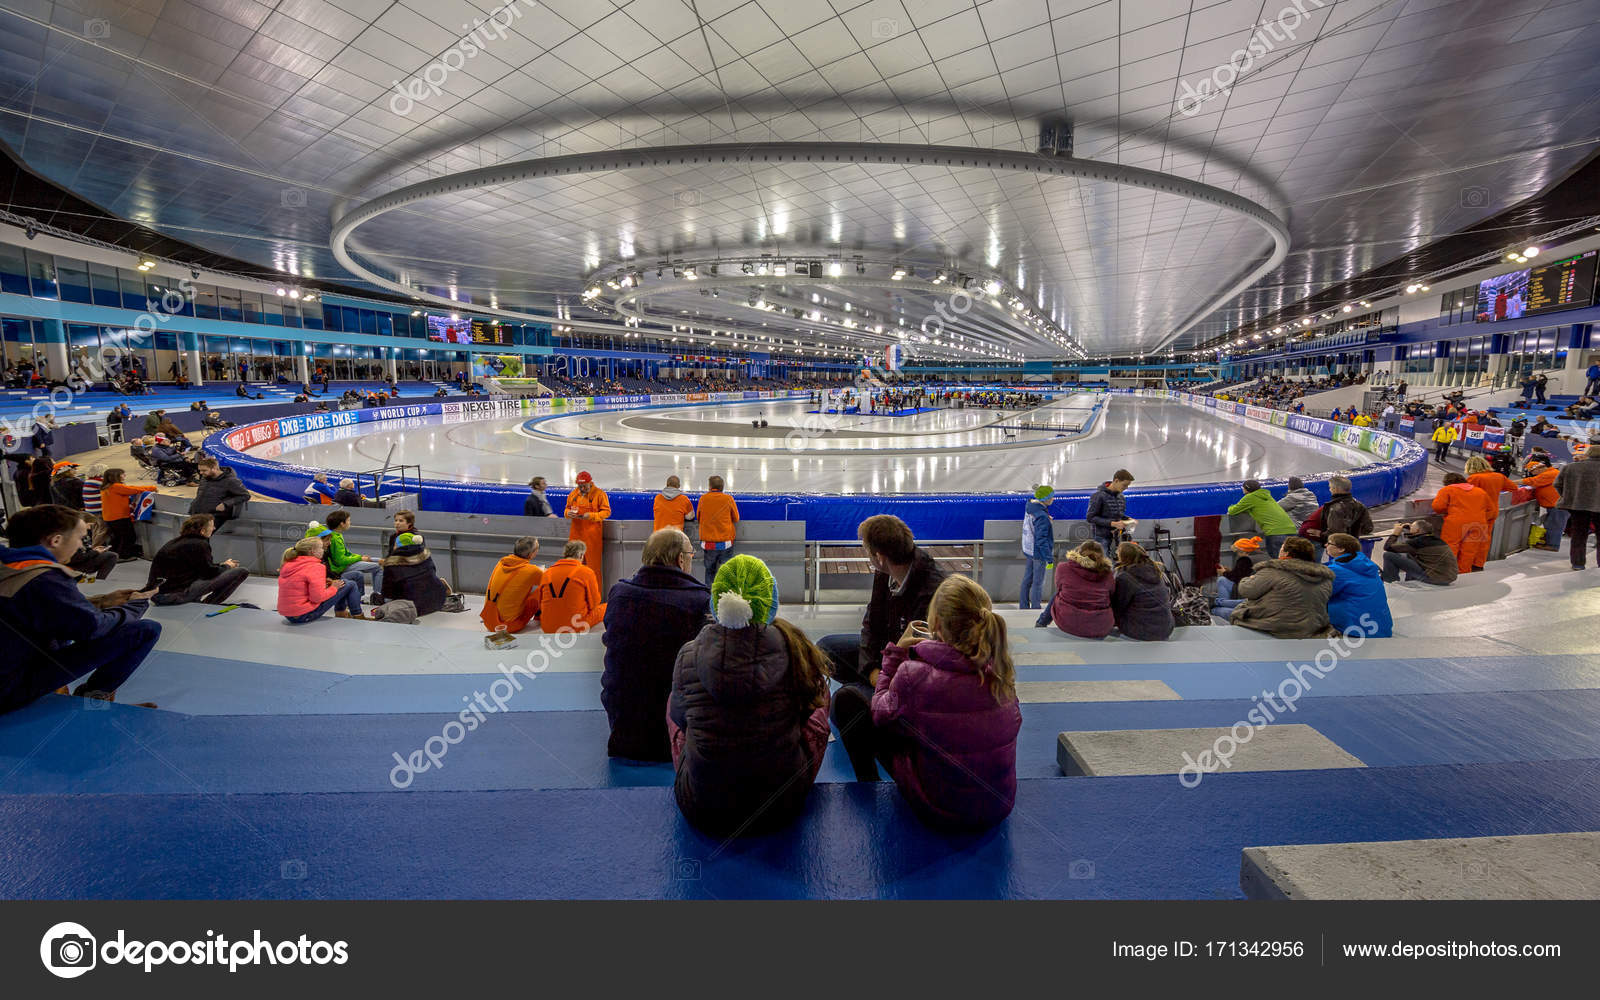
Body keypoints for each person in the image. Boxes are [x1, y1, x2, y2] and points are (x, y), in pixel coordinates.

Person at [831, 573, 1022, 828]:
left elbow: (878, 712)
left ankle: (868, 784)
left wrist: (895, 655)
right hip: (997, 807)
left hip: (938, 808)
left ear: (937, 624)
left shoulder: (914, 675)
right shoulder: (1001, 674)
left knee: (847, 699)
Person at [667, 555, 831, 836]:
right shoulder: (795, 649)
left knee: (676, 701)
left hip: (702, 807)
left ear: (716, 601)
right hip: (783, 803)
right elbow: (808, 711)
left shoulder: (688, 654)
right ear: (770, 601)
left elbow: (680, 719)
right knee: (821, 694)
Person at [0, 505, 161, 712]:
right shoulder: (45, 579)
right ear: (55, 540)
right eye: (79, 538)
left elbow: (42, 607)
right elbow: (92, 628)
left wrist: (103, 601)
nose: (81, 546)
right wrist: (135, 605)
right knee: (145, 630)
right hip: (10, 689)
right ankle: (93, 701)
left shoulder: (11, 567)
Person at [600, 528, 709, 761]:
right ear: (681, 559)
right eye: (691, 554)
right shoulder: (700, 601)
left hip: (623, 728)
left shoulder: (619, 594)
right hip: (672, 739)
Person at [817, 514, 946, 687]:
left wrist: (884, 676)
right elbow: (871, 625)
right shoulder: (886, 572)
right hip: (888, 650)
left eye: (866, 550)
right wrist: (871, 669)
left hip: (911, 666)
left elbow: (918, 653)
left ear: (879, 557)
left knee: (846, 698)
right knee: (824, 650)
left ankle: (870, 693)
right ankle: (868, 689)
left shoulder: (932, 590)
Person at [1229, 536, 1334, 638]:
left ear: (1286, 553)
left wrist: (1248, 579)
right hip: (1313, 628)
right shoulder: (1324, 578)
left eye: (1282, 547)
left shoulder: (1273, 571)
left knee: (1223, 611)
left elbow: (1245, 590)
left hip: (1275, 627)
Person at [144, 514, 249, 606]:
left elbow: (200, 567)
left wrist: (222, 565)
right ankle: (208, 604)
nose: (214, 528)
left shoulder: (175, 542)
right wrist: (227, 566)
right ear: (202, 531)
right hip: (172, 595)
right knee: (241, 571)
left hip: (158, 593)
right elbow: (209, 573)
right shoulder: (200, 544)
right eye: (212, 526)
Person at [1035, 540, 1115, 636]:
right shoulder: (1108, 574)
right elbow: (1112, 593)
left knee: (1058, 593)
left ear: (1079, 552)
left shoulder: (1063, 568)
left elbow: (1059, 587)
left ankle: (1041, 622)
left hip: (1069, 622)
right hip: (1100, 626)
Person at [278, 536, 363, 623]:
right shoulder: (316, 566)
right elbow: (317, 598)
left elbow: (299, 585)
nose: (323, 550)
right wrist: (334, 587)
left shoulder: (289, 564)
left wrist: (324, 582)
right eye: (321, 548)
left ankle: (341, 613)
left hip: (289, 615)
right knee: (350, 584)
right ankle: (358, 616)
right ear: (312, 551)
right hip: (304, 615)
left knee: (342, 583)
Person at [1323, 533, 1392, 637]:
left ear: (1341, 549)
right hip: (1380, 627)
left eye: (1329, 543)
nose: (1325, 545)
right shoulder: (1366, 565)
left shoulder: (1338, 570)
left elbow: (1320, 595)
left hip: (1356, 630)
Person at [537, 540, 606, 633]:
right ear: (581, 555)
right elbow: (594, 603)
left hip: (548, 627)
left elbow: (540, 603)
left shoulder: (547, 573)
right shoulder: (586, 572)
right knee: (607, 607)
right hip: (576, 626)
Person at [1110, 541, 1174, 641]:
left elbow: (1118, 607)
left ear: (1123, 557)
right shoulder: (1156, 571)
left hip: (1142, 631)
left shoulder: (1125, 578)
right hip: (1165, 628)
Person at [1431, 472, 1493, 574]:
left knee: (1450, 547)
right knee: (1470, 551)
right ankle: (1464, 573)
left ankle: (1447, 572)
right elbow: (1491, 510)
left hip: (1455, 523)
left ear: (1447, 482)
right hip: (1478, 524)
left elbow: (1437, 507)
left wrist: (1448, 511)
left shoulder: (1447, 490)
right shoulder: (1481, 491)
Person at [480, 536, 544, 634]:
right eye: (538, 548)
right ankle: (540, 617)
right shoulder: (532, 571)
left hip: (489, 620)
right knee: (541, 590)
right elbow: (549, 580)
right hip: (508, 626)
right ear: (531, 554)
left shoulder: (501, 563)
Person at [379, 532, 452, 616]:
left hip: (413, 608)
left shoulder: (391, 563)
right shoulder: (425, 556)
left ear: (398, 545)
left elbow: (388, 592)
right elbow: (433, 571)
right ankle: (441, 587)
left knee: (383, 599)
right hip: (438, 601)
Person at [1553, 443, 1600, 570]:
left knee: (1578, 535)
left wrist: (1569, 497)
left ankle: (1577, 563)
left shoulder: (1570, 467)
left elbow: (1557, 484)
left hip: (1577, 506)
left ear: (1588, 453)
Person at [321, 511, 383, 602]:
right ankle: (377, 596)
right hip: (341, 567)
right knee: (378, 567)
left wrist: (361, 557)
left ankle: (375, 594)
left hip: (344, 564)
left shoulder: (337, 535)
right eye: (348, 520)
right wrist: (360, 558)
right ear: (342, 524)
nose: (350, 522)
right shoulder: (334, 538)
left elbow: (347, 553)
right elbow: (340, 560)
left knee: (376, 560)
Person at [1226, 479, 1297, 557]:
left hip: (1275, 532)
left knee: (1278, 560)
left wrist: (1230, 507)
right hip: (1291, 530)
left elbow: (1233, 511)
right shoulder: (1267, 496)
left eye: (1243, 487)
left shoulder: (1250, 497)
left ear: (1246, 489)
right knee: (1293, 559)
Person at [1379, 518, 1458, 585]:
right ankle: (1409, 581)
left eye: (1412, 527)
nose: (1410, 527)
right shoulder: (1436, 539)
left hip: (1434, 578)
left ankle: (1390, 582)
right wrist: (1411, 530)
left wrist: (1395, 533)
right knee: (1411, 555)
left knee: (1388, 555)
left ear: (1417, 530)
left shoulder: (1418, 542)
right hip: (1448, 577)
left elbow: (1388, 547)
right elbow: (1413, 543)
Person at [564, 471, 610, 585]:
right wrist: (568, 513)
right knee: (572, 566)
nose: (582, 488)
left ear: (590, 483)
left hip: (592, 538)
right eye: (580, 486)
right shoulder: (573, 494)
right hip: (575, 535)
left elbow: (606, 512)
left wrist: (591, 516)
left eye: (584, 486)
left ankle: (595, 594)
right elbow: (566, 509)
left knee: (593, 568)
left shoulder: (600, 494)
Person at [99, 467, 156, 559]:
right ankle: (124, 555)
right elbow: (134, 490)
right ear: (116, 476)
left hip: (110, 517)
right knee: (129, 537)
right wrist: (152, 488)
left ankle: (114, 554)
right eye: (122, 474)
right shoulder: (116, 487)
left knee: (117, 537)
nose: (124, 475)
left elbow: (130, 488)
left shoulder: (107, 487)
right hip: (119, 517)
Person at [694, 475, 739, 585]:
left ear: (710, 487)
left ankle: (709, 593)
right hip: (726, 543)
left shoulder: (703, 499)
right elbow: (736, 518)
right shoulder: (728, 499)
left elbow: (698, 517)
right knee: (727, 572)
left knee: (710, 571)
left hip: (708, 543)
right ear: (722, 487)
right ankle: (725, 592)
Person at [189, 458, 250, 531]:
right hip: (197, 513)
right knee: (189, 535)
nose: (201, 473)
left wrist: (226, 504)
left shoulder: (231, 481)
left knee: (200, 536)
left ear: (214, 468)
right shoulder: (205, 478)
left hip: (214, 516)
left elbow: (245, 495)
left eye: (204, 470)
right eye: (200, 470)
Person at [1019, 484, 1055, 610]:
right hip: (1038, 553)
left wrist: (1045, 518)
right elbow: (1041, 540)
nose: (1053, 499)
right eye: (1051, 497)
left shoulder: (1030, 506)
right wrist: (1049, 558)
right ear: (1046, 499)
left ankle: (1023, 606)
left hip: (1028, 549)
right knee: (1038, 583)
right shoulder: (1042, 516)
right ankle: (1035, 608)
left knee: (1027, 579)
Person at [1520, 456, 1563, 551]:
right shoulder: (1550, 473)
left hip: (1558, 505)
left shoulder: (1550, 474)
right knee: (1550, 524)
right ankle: (1550, 543)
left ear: (1539, 468)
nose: (1532, 474)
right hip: (1554, 504)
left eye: (1532, 471)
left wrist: (1509, 482)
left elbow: (1532, 481)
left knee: (1554, 525)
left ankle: (1553, 545)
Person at [1086, 469, 1135, 551]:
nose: (1126, 488)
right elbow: (1090, 517)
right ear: (1116, 481)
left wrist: (1128, 519)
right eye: (1124, 485)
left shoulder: (1121, 497)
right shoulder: (1098, 496)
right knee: (1104, 559)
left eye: (1127, 486)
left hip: (1117, 537)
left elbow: (1118, 515)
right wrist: (1113, 524)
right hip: (1102, 538)